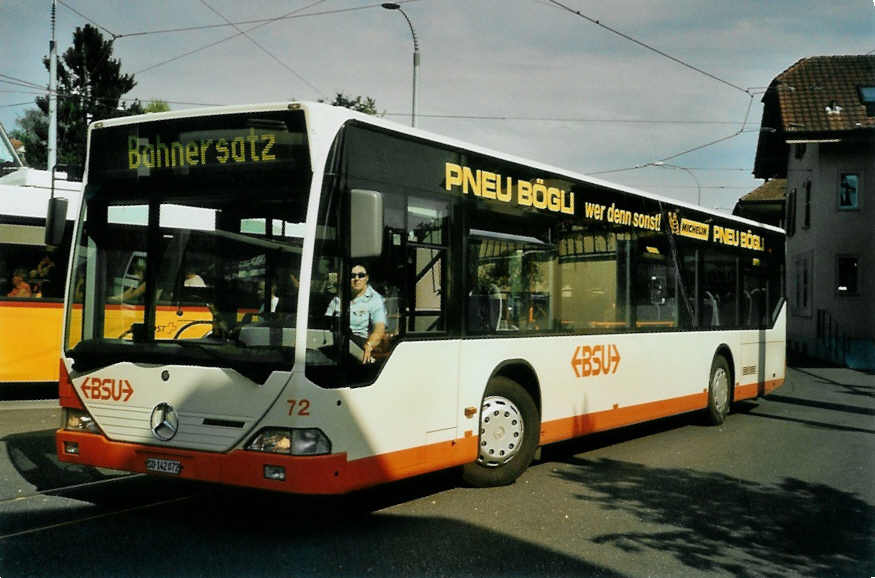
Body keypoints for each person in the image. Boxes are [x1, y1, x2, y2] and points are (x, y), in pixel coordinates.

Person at [325, 264, 386, 364]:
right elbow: (326, 321)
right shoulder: (338, 298)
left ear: (366, 278)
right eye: (352, 276)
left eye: (361, 275)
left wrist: (369, 345)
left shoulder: (375, 300)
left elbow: (379, 329)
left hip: (359, 345)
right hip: (336, 342)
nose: (356, 279)